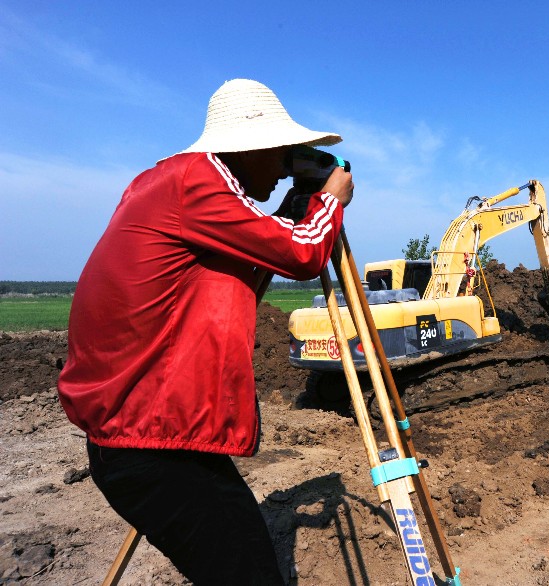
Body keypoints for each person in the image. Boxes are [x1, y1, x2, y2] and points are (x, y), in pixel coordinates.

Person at [57, 79, 354, 585]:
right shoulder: (197, 184)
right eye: (280, 153)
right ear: (250, 147)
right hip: (149, 440)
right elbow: (301, 254)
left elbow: (249, 262)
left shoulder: (171, 183)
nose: (285, 165)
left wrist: (299, 203)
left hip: (147, 433)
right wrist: (330, 199)